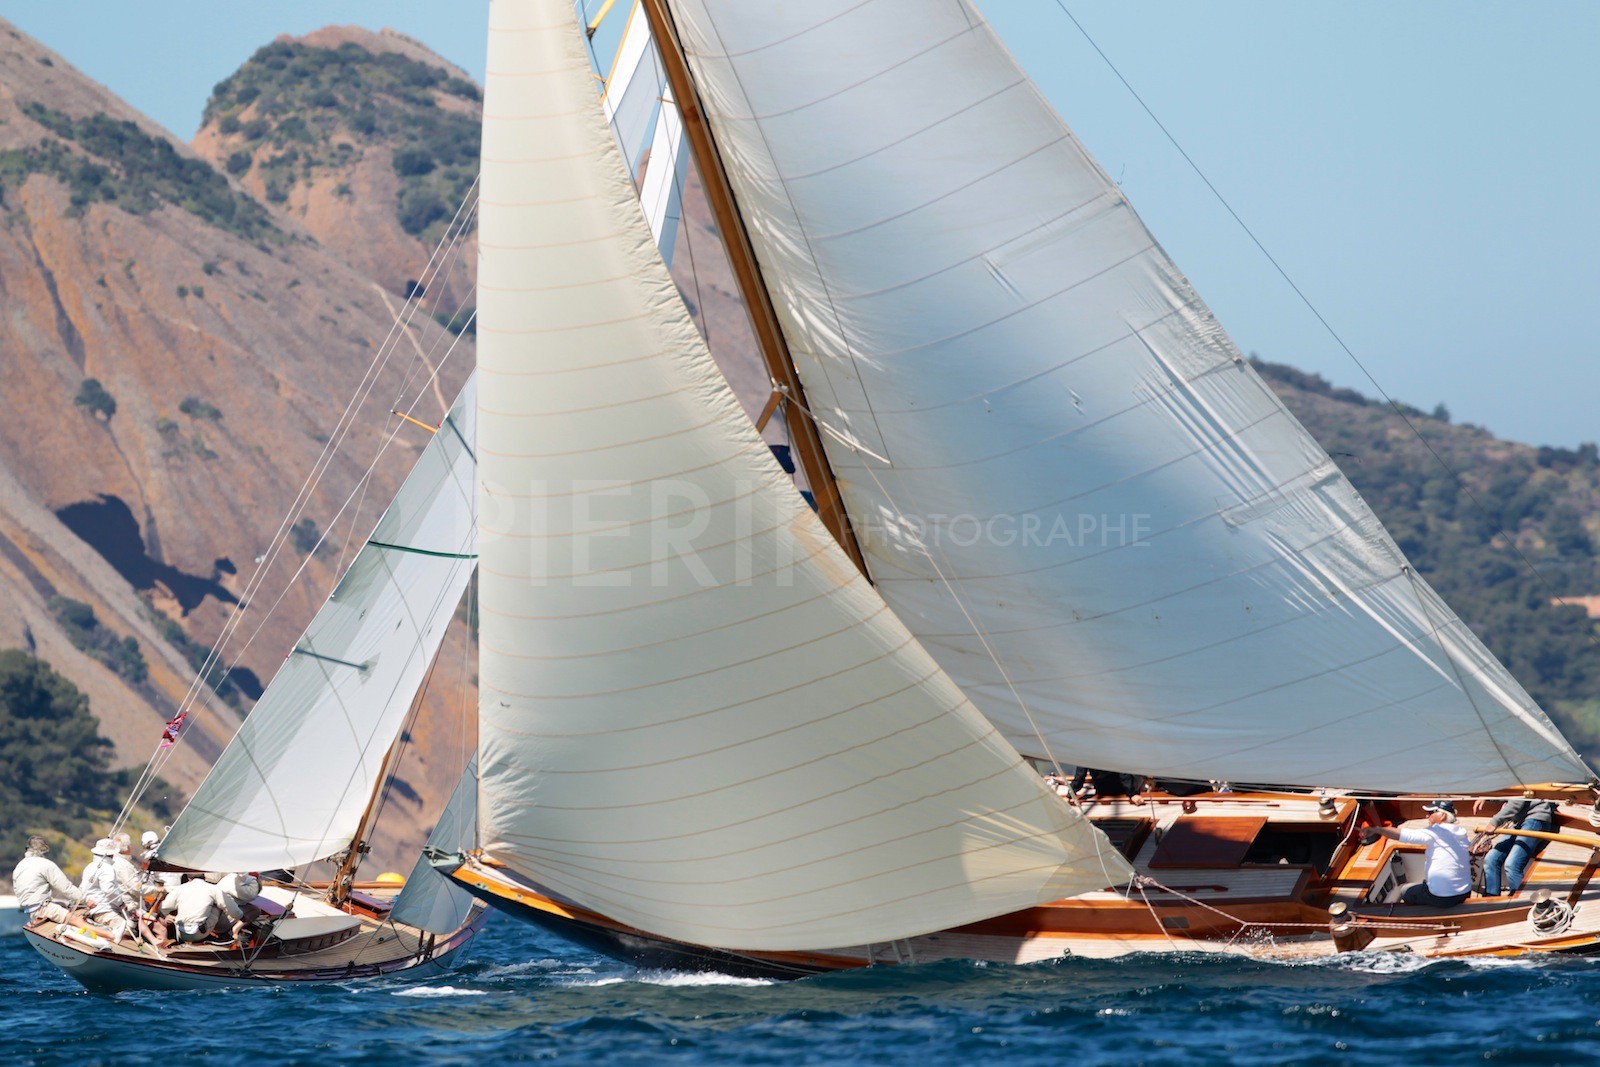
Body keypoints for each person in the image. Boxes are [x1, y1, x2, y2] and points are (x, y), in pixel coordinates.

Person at [1364, 799, 1472, 907]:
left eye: (1430, 813)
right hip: (1464, 893)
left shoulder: (1435, 832)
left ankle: (1421, 915)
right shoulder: (1462, 833)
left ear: (1442, 815)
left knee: (1405, 891)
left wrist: (1377, 829)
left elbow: (1400, 835)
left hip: (1440, 898)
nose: (1427, 816)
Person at [1481, 796, 1559, 897]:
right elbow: (1509, 794)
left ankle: (1521, 901)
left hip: (1536, 819)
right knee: (1491, 859)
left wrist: (1494, 822)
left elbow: (1517, 801)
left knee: (1512, 864)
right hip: (1520, 821)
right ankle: (1491, 899)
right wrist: (1487, 798)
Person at [12, 836, 88, 926]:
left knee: (63, 904)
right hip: (42, 908)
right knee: (77, 920)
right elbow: (66, 888)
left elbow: (16, 889)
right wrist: (86, 900)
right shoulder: (46, 864)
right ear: (43, 849)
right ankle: (109, 935)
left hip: (30, 911)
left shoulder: (19, 866)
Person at [80, 838, 143, 939]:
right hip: (104, 910)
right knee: (128, 931)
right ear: (111, 854)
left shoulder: (90, 866)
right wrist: (121, 904)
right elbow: (109, 890)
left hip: (93, 909)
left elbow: (82, 889)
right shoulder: (107, 868)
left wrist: (86, 900)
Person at [159, 874, 245, 944]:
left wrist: (168, 917)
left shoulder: (179, 889)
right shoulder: (213, 889)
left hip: (180, 933)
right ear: (204, 877)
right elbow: (233, 910)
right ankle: (221, 934)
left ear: (189, 878)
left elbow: (163, 908)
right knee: (217, 905)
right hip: (200, 932)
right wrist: (241, 916)